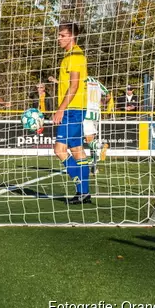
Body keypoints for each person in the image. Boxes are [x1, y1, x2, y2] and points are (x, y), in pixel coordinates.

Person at [52, 23, 91, 205]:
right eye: (59, 35)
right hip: (74, 109)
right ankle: (84, 193)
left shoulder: (75, 55)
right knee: (77, 150)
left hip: (72, 110)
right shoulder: (69, 55)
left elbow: (74, 85)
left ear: (72, 36)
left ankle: (80, 189)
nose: (59, 38)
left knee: (59, 150)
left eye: (62, 35)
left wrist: (60, 109)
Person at [82, 76, 109, 170]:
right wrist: (102, 102)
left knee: (89, 141)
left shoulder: (83, 79)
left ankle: (102, 145)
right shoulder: (97, 82)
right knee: (91, 142)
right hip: (96, 114)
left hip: (86, 113)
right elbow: (108, 94)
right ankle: (94, 167)